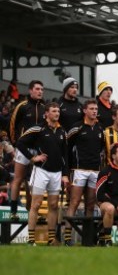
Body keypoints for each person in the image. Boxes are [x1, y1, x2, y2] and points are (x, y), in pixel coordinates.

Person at [16, 102, 69, 245]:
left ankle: (51, 239)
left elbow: (65, 155)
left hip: (57, 173)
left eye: (58, 111)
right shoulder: (37, 129)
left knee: (53, 205)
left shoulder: (62, 131)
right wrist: (33, 158)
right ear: (46, 114)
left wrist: (65, 174)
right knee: (36, 204)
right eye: (54, 111)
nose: (57, 113)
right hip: (41, 171)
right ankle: (31, 239)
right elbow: (20, 142)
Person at [64, 99, 104, 246]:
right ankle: (67, 238)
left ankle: (87, 238)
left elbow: (102, 150)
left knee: (90, 205)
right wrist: (66, 172)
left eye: (96, 109)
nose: (94, 111)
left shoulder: (101, 129)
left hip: (95, 171)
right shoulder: (76, 128)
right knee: (74, 203)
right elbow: (66, 150)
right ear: (84, 111)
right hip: (78, 170)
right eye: (92, 109)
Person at [8, 80, 45, 220]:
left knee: (34, 182)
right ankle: (13, 211)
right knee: (18, 178)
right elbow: (12, 125)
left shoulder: (44, 108)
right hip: (23, 149)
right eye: (37, 89)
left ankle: (33, 210)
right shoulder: (22, 106)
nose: (40, 91)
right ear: (30, 90)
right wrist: (16, 143)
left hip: (38, 150)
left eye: (41, 89)